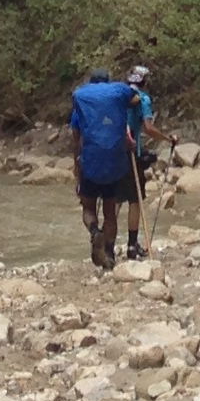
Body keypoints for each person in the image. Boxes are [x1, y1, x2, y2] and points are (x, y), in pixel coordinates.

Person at [69, 70, 138, 270]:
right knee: (110, 212)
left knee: (88, 208)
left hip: (91, 161)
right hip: (114, 161)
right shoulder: (117, 101)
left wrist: (77, 167)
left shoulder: (81, 107)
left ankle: (94, 231)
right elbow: (135, 100)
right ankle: (109, 255)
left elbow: (76, 141)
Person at [121, 62, 157, 261]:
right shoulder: (143, 99)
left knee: (115, 199)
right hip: (132, 153)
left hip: (113, 152)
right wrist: (168, 139)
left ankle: (107, 245)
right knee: (135, 200)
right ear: (144, 82)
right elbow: (148, 128)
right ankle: (132, 245)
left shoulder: (116, 97)